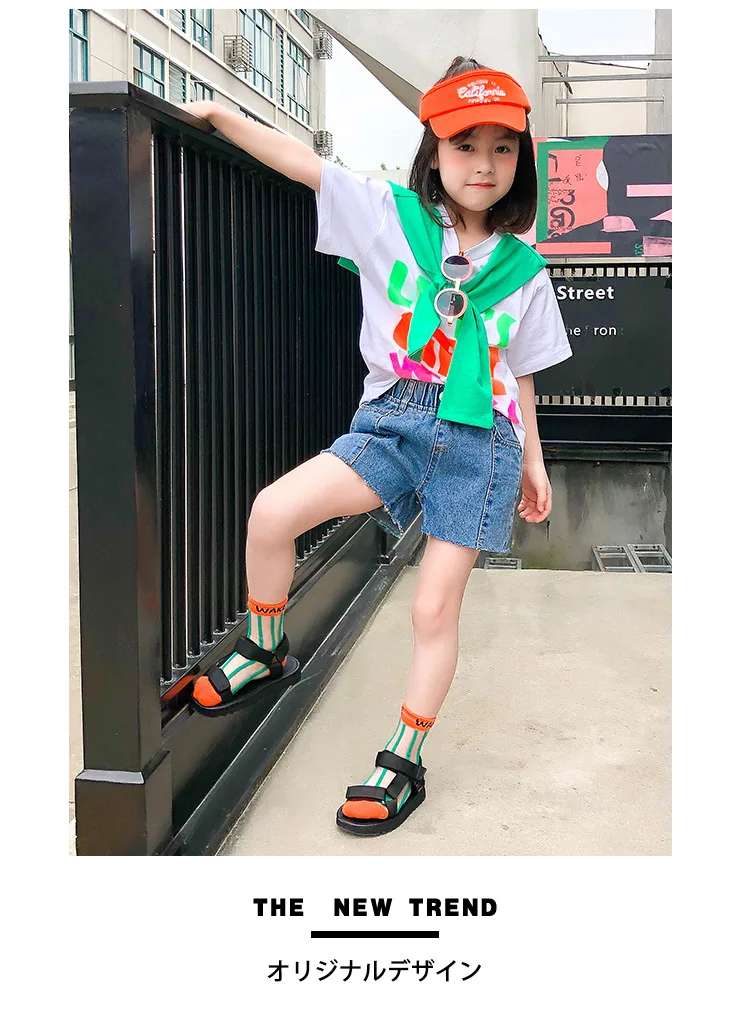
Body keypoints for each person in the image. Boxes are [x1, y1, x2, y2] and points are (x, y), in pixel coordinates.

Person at [180, 56, 572, 836]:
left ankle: (404, 759)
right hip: (394, 420)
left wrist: (534, 459)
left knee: (433, 607)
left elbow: (520, 372)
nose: (484, 164)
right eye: (465, 146)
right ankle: (265, 645)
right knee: (272, 512)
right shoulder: (388, 217)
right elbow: (304, 165)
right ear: (434, 151)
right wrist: (221, 116)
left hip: (483, 443)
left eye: (502, 148)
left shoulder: (525, 270)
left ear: (521, 160)